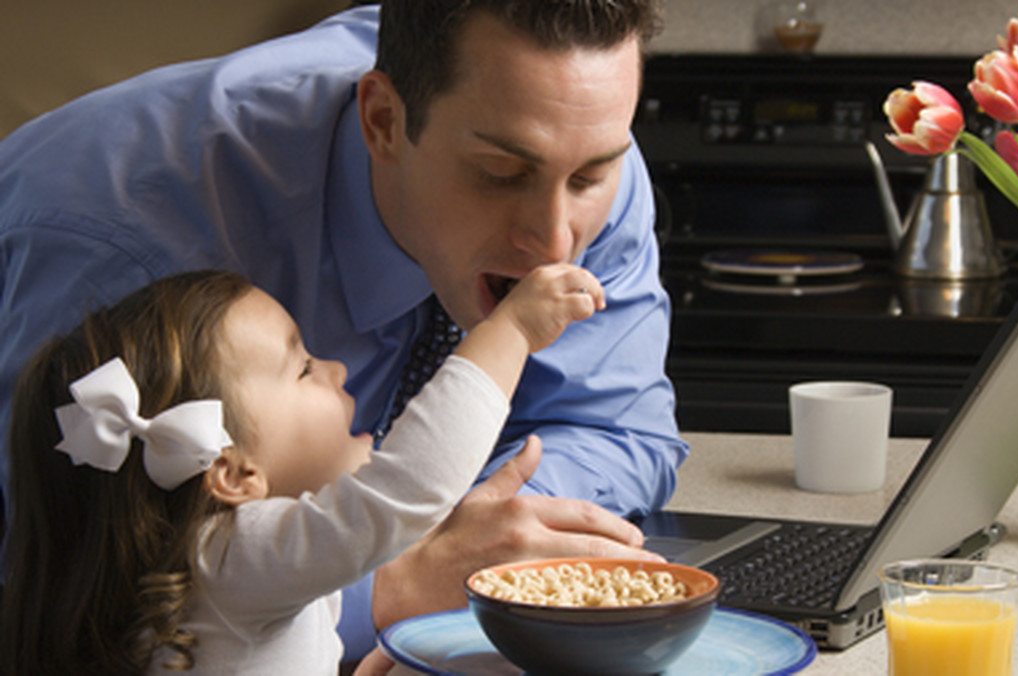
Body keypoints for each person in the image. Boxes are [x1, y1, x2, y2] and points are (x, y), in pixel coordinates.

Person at [0, 0, 685, 660]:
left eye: (593, 176)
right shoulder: (127, 246)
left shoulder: (569, 127)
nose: (556, 241)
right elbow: (72, 593)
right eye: (499, 174)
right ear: (383, 119)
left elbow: (615, 430)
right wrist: (394, 581)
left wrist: (484, 541)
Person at [0, 263, 607, 674]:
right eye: (303, 367)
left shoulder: (213, 563)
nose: (337, 369)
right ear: (234, 473)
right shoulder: (229, 555)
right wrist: (511, 330)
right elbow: (408, 488)